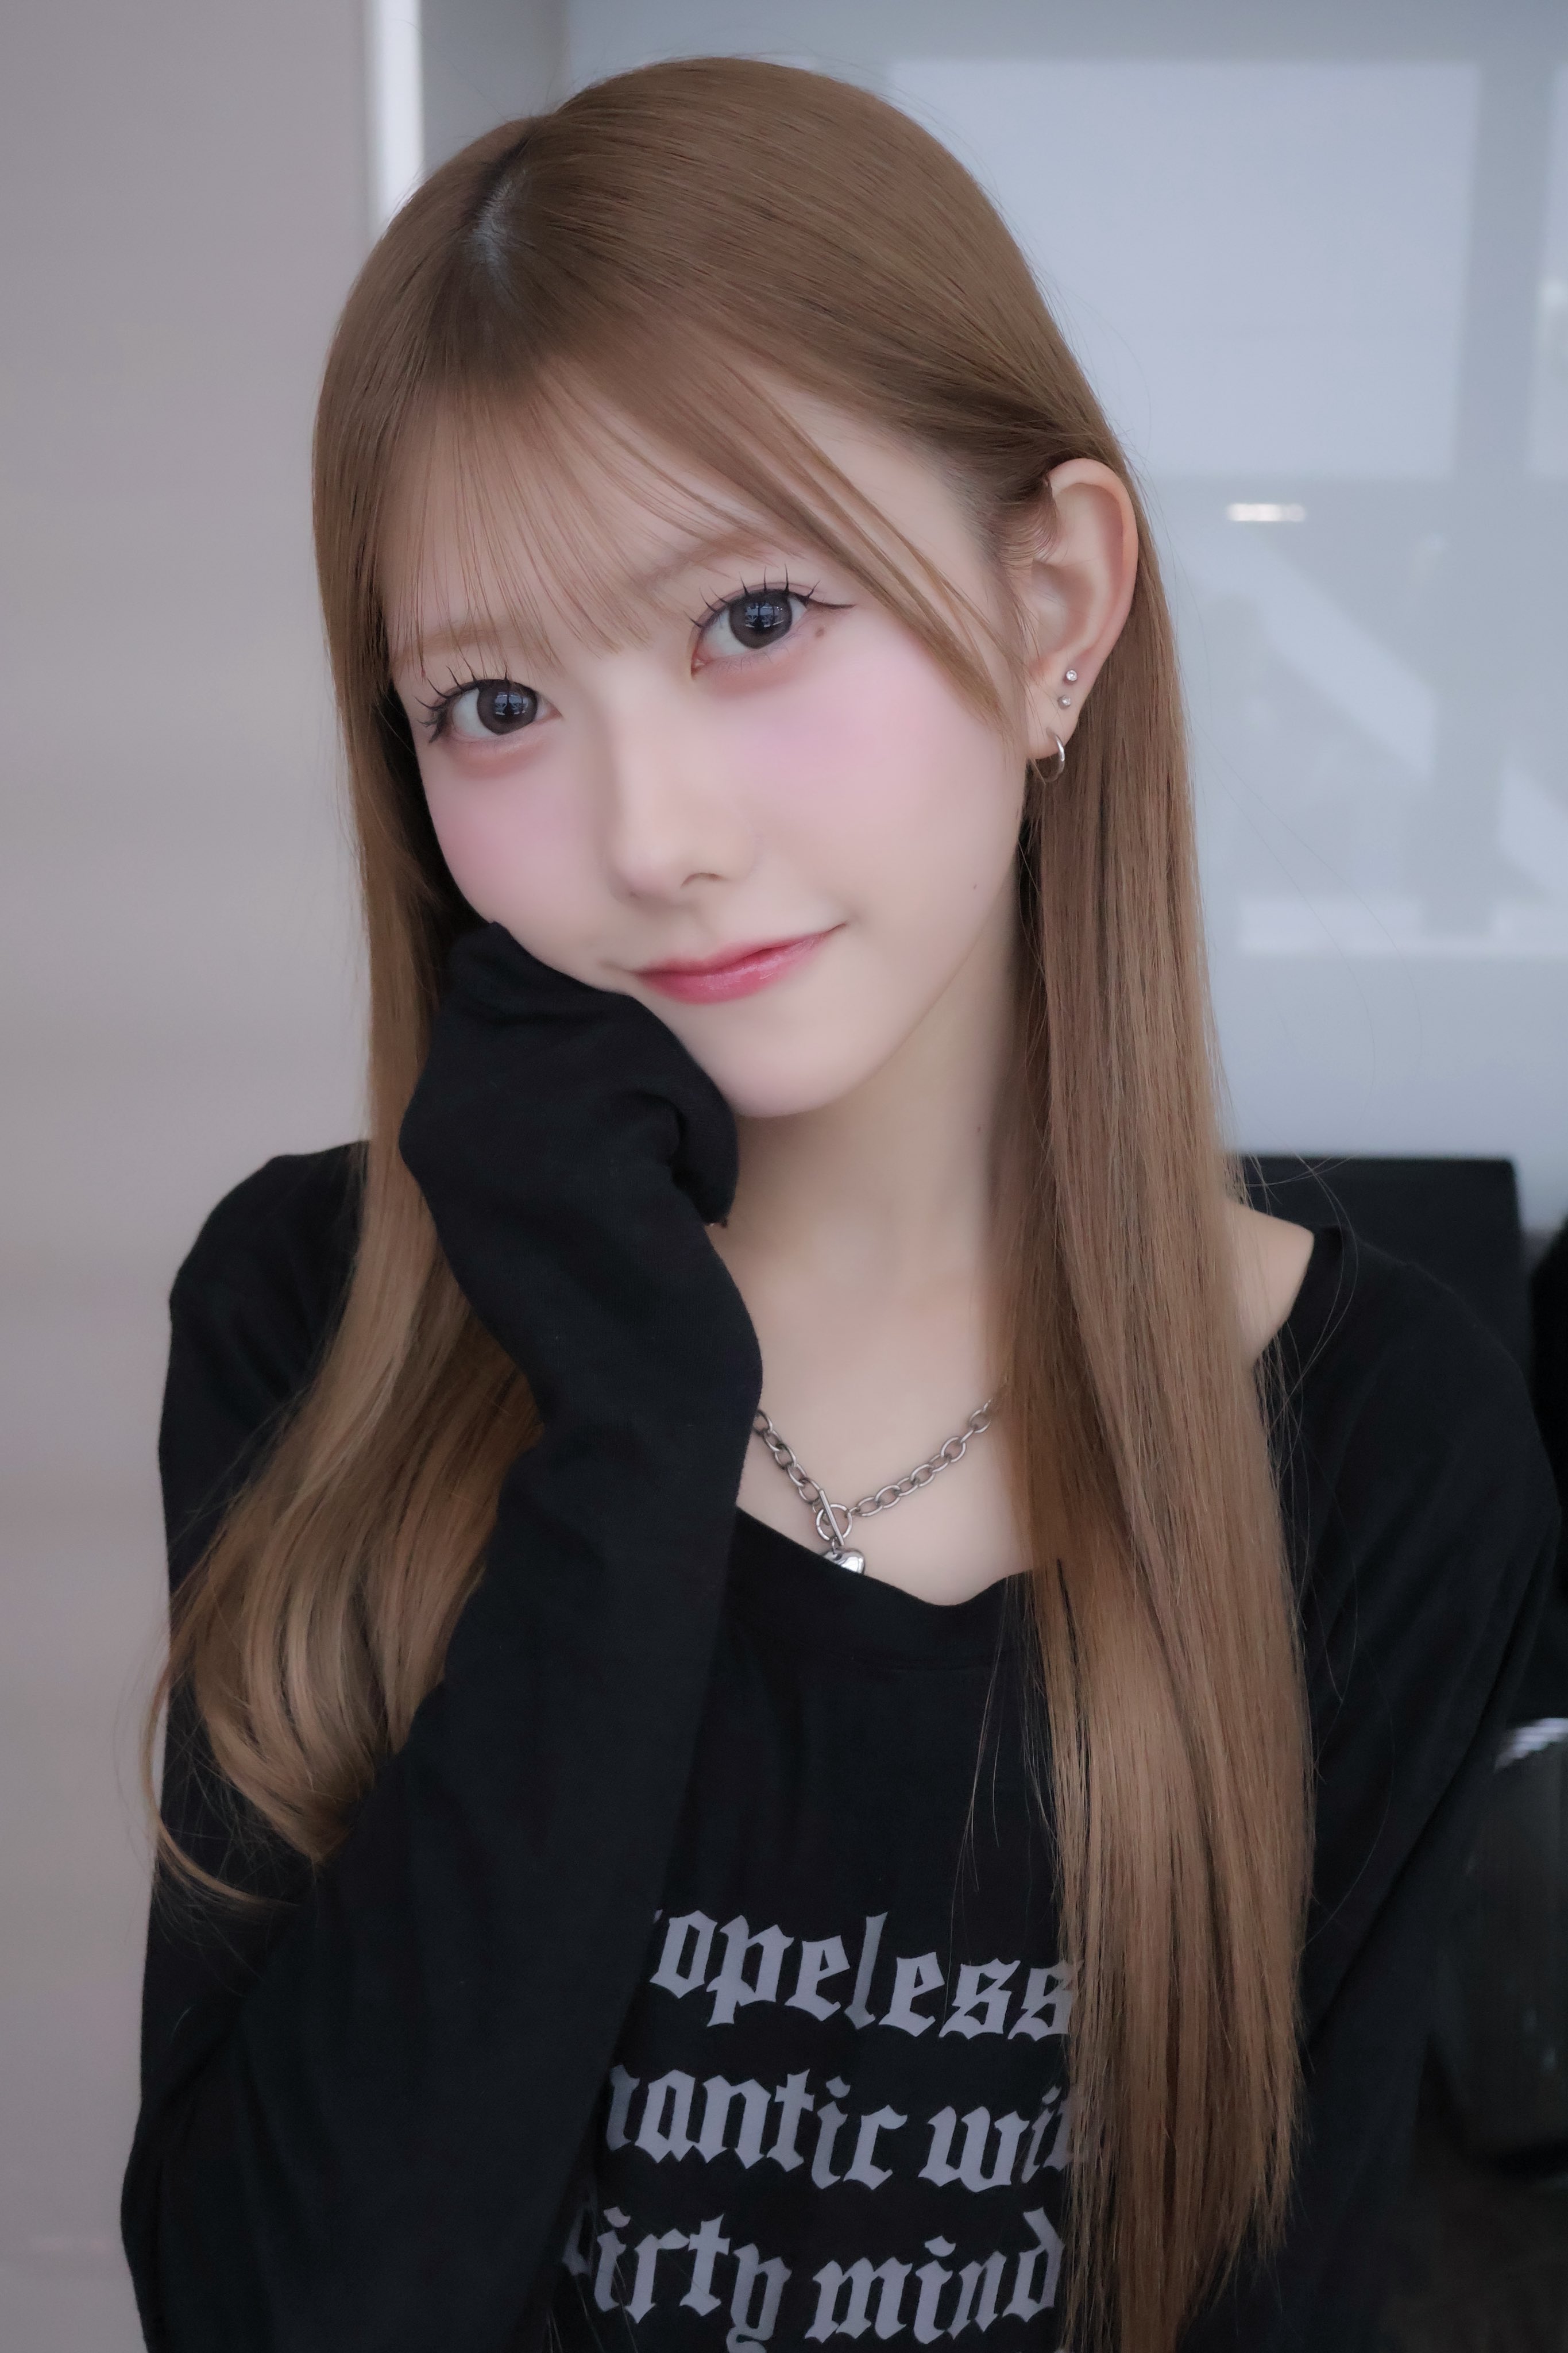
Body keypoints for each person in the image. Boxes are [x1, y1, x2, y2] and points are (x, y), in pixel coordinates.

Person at [119, 57, 1557, 2353]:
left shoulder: (1386, 1450)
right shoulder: (314, 1312)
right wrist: (630, 1429)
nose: (649, 835)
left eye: (754, 618)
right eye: (492, 701)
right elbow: (283, 2315)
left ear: (1051, 600)